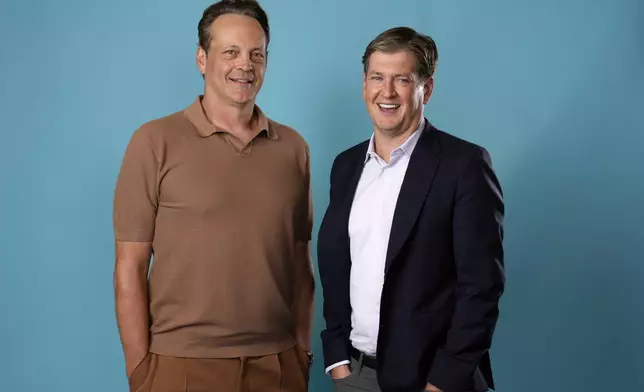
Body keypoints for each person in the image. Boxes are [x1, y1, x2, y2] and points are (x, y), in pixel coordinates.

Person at [112, 1, 314, 391]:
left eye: (257, 54)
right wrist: (140, 372)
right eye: (231, 52)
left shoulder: (293, 148)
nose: (245, 65)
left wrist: (300, 355)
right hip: (180, 365)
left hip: (277, 364)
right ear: (202, 59)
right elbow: (129, 268)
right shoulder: (154, 142)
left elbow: (301, 263)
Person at [317, 27, 505, 392]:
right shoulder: (346, 165)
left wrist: (443, 382)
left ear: (426, 89)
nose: (386, 93)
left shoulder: (464, 165)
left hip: (432, 380)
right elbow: (338, 267)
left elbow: (481, 287)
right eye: (377, 77)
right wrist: (337, 360)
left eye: (402, 79)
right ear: (364, 83)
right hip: (356, 376)